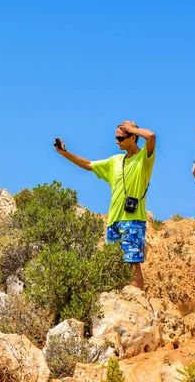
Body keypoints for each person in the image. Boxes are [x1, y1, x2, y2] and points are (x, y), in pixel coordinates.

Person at [54, 121, 156, 290]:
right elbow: (88, 165)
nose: (117, 141)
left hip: (133, 221)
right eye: (116, 138)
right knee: (113, 265)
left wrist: (132, 129)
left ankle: (138, 302)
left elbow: (151, 136)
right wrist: (64, 153)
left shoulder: (144, 158)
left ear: (133, 137)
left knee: (132, 264)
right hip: (113, 221)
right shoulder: (114, 161)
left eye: (121, 138)